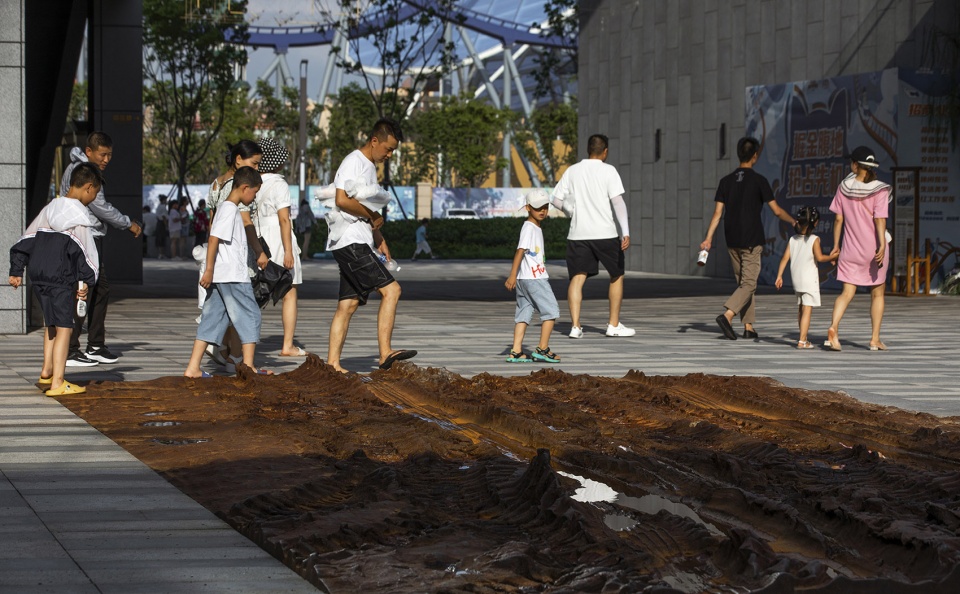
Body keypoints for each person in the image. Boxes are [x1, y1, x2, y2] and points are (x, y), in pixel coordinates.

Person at [325, 118, 416, 372]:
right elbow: (342, 200)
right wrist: (372, 217)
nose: (389, 155)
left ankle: (333, 364)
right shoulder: (354, 162)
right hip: (350, 241)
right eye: (388, 149)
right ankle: (385, 353)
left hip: (358, 240)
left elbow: (367, 209)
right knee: (392, 290)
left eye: (393, 151)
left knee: (348, 304)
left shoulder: (368, 166)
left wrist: (379, 239)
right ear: (374, 141)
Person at [9, 163, 103, 395]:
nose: (94, 198)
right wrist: (86, 283)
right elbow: (85, 254)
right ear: (89, 187)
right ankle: (58, 382)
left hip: (38, 273)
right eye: (96, 193)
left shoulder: (50, 208)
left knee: (50, 324)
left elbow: (26, 239)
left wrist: (16, 270)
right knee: (64, 328)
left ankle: (46, 370)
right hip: (59, 275)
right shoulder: (80, 216)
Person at [59, 131, 142, 366]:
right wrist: (129, 224)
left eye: (110, 155)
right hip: (83, 237)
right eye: (102, 154)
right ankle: (72, 349)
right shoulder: (85, 173)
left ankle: (94, 345)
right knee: (82, 291)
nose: (106, 160)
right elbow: (100, 207)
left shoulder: (80, 168)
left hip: (87, 236)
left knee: (99, 288)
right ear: (89, 152)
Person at [701, 137, 796, 341]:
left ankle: (748, 326)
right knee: (749, 284)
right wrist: (794, 222)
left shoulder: (725, 182)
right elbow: (777, 211)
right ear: (755, 156)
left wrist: (708, 239)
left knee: (744, 284)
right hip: (752, 240)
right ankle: (727, 316)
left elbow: (717, 214)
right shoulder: (759, 180)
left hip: (732, 240)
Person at [184, 166, 270, 378]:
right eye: (255, 192)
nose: (255, 197)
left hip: (224, 276)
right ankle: (248, 367)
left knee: (212, 318)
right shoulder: (229, 209)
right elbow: (213, 238)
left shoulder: (229, 209)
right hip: (232, 275)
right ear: (245, 187)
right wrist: (209, 269)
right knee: (251, 314)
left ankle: (193, 367)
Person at [550, 134, 634, 339]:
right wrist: (626, 231)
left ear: (588, 150)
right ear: (605, 151)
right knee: (616, 275)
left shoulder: (573, 170)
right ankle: (613, 325)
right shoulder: (609, 171)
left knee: (577, 278)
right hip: (605, 233)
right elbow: (618, 203)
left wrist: (570, 210)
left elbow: (555, 199)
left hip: (578, 234)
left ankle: (575, 327)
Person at [204, 140, 268, 370]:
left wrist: (210, 264)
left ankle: (224, 351)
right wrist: (259, 251)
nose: (257, 168)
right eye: (255, 163)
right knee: (244, 310)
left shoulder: (216, 184)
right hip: (235, 258)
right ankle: (238, 359)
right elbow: (246, 221)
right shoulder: (240, 187)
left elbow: (212, 223)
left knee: (223, 309)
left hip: (219, 256)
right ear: (238, 160)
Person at [824, 146, 892, 352]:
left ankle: (834, 328)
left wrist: (836, 246)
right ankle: (874, 339)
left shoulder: (844, 187)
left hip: (850, 249)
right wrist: (881, 245)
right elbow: (879, 220)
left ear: (855, 165)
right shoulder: (879, 189)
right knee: (877, 293)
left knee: (846, 293)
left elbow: (838, 219)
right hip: (873, 249)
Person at [255, 137, 306, 357]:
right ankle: (287, 345)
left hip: (257, 238)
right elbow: (284, 219)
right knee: (289, 291)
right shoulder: (279, 184)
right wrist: (287, 251)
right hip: (277, 237)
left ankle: (237, 344)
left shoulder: (252, 181)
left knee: (255, 293)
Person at [504, 189, 561, 363]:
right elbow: (519, 252)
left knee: (523, 314)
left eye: (545, 207)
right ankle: (542, 349)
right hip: (534, 279)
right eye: (538, 208)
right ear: (528, 208)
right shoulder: (529, 227)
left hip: (525, 279)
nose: (542, 211)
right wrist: (512, 275)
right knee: (551, 311)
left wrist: (517, 277)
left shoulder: (534, 227)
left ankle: (516, 351)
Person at [774, 206, 839, 349]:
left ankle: (802, 337)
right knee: (807, 309)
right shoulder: (814, 239)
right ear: (815, 223)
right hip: (809, 279)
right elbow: (820, 258)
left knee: (801, 308)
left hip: (796, 279)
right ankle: (802, 340)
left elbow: (785, 258)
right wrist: (833, 257)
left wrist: (779, 276)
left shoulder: (793, 239)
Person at [155, 194, 169, 259]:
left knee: (160, 238)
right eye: (166, 200)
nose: (167, 201)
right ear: (163, 200)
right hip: (162, 223)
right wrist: (166, 225)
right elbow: (163, 217)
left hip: (159, 223)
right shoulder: (163, 206)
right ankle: (161, 254)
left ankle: (161, 253)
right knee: (162, 238)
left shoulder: (159, 206)